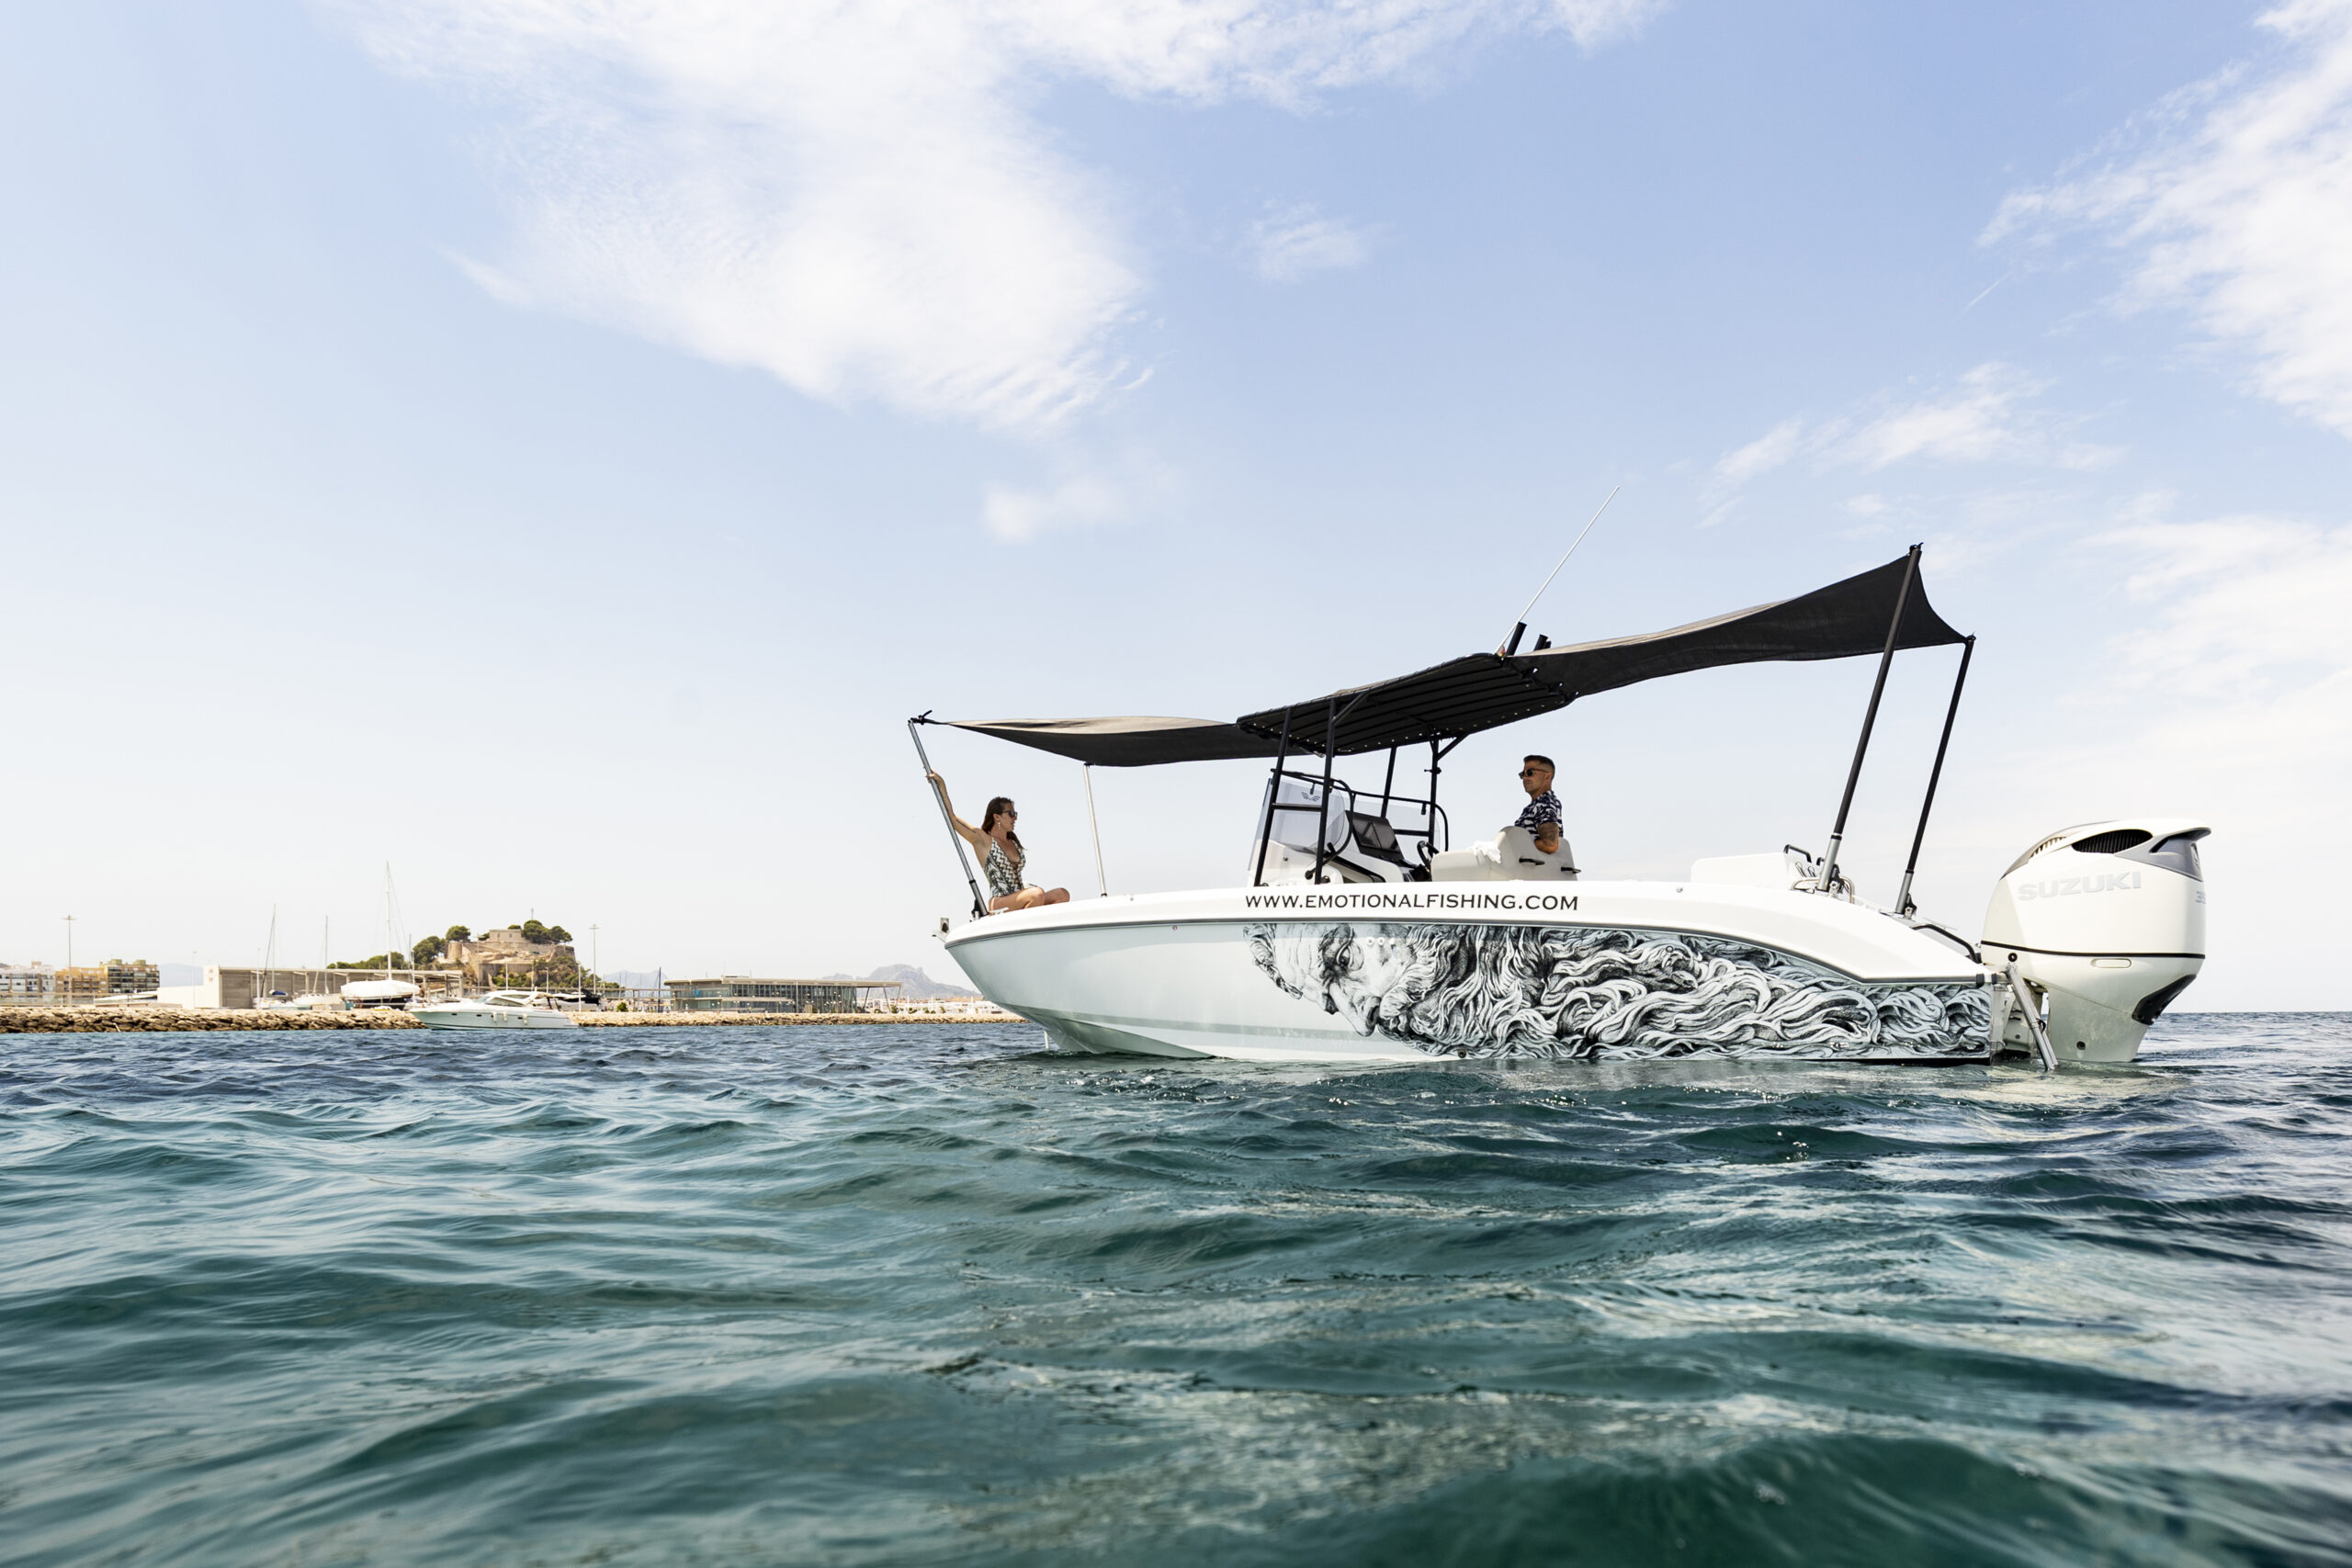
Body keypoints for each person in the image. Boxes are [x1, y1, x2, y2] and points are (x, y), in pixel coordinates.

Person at [928, 771, 1070, 912]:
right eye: (1011, 814)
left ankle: (1039, 928)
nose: (1015, 818)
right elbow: (952, 819)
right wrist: (942, 788)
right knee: (1037, 893)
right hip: (999, 902)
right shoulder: (983, 839)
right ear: (997, 817)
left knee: (1062, 894)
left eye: (1016, 814)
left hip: (1021, 896)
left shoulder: (1013, 842)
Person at [1510, 755, 1562, 834]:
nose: (1525, 778)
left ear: (1547, 776)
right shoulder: (1532, 807)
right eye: (1522, 774)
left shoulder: (1545, 802)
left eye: (1530, 773)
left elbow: (1550, 844)